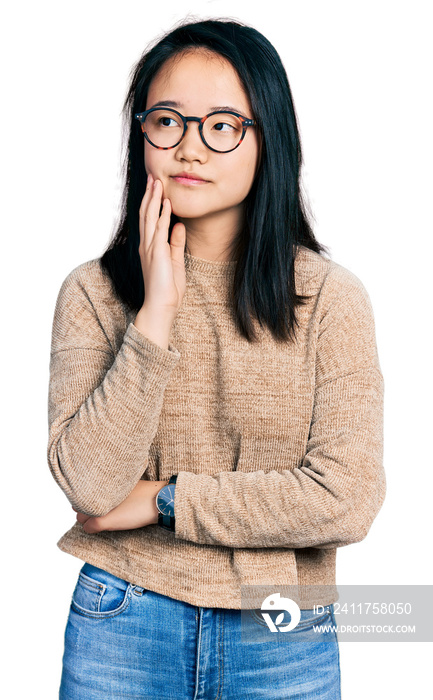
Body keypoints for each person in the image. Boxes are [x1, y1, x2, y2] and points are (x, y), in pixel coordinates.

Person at [47, 18, 386, 700]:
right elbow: (90, 486)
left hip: (279, 623)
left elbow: (345, 498)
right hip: (124, 614)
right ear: (140, 132)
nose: (189, 148)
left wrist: (164, 501)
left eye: (223, 125)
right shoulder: (93, 293)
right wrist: (155, 319)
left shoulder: (327, 299)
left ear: (269, 139)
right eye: (166, 120)